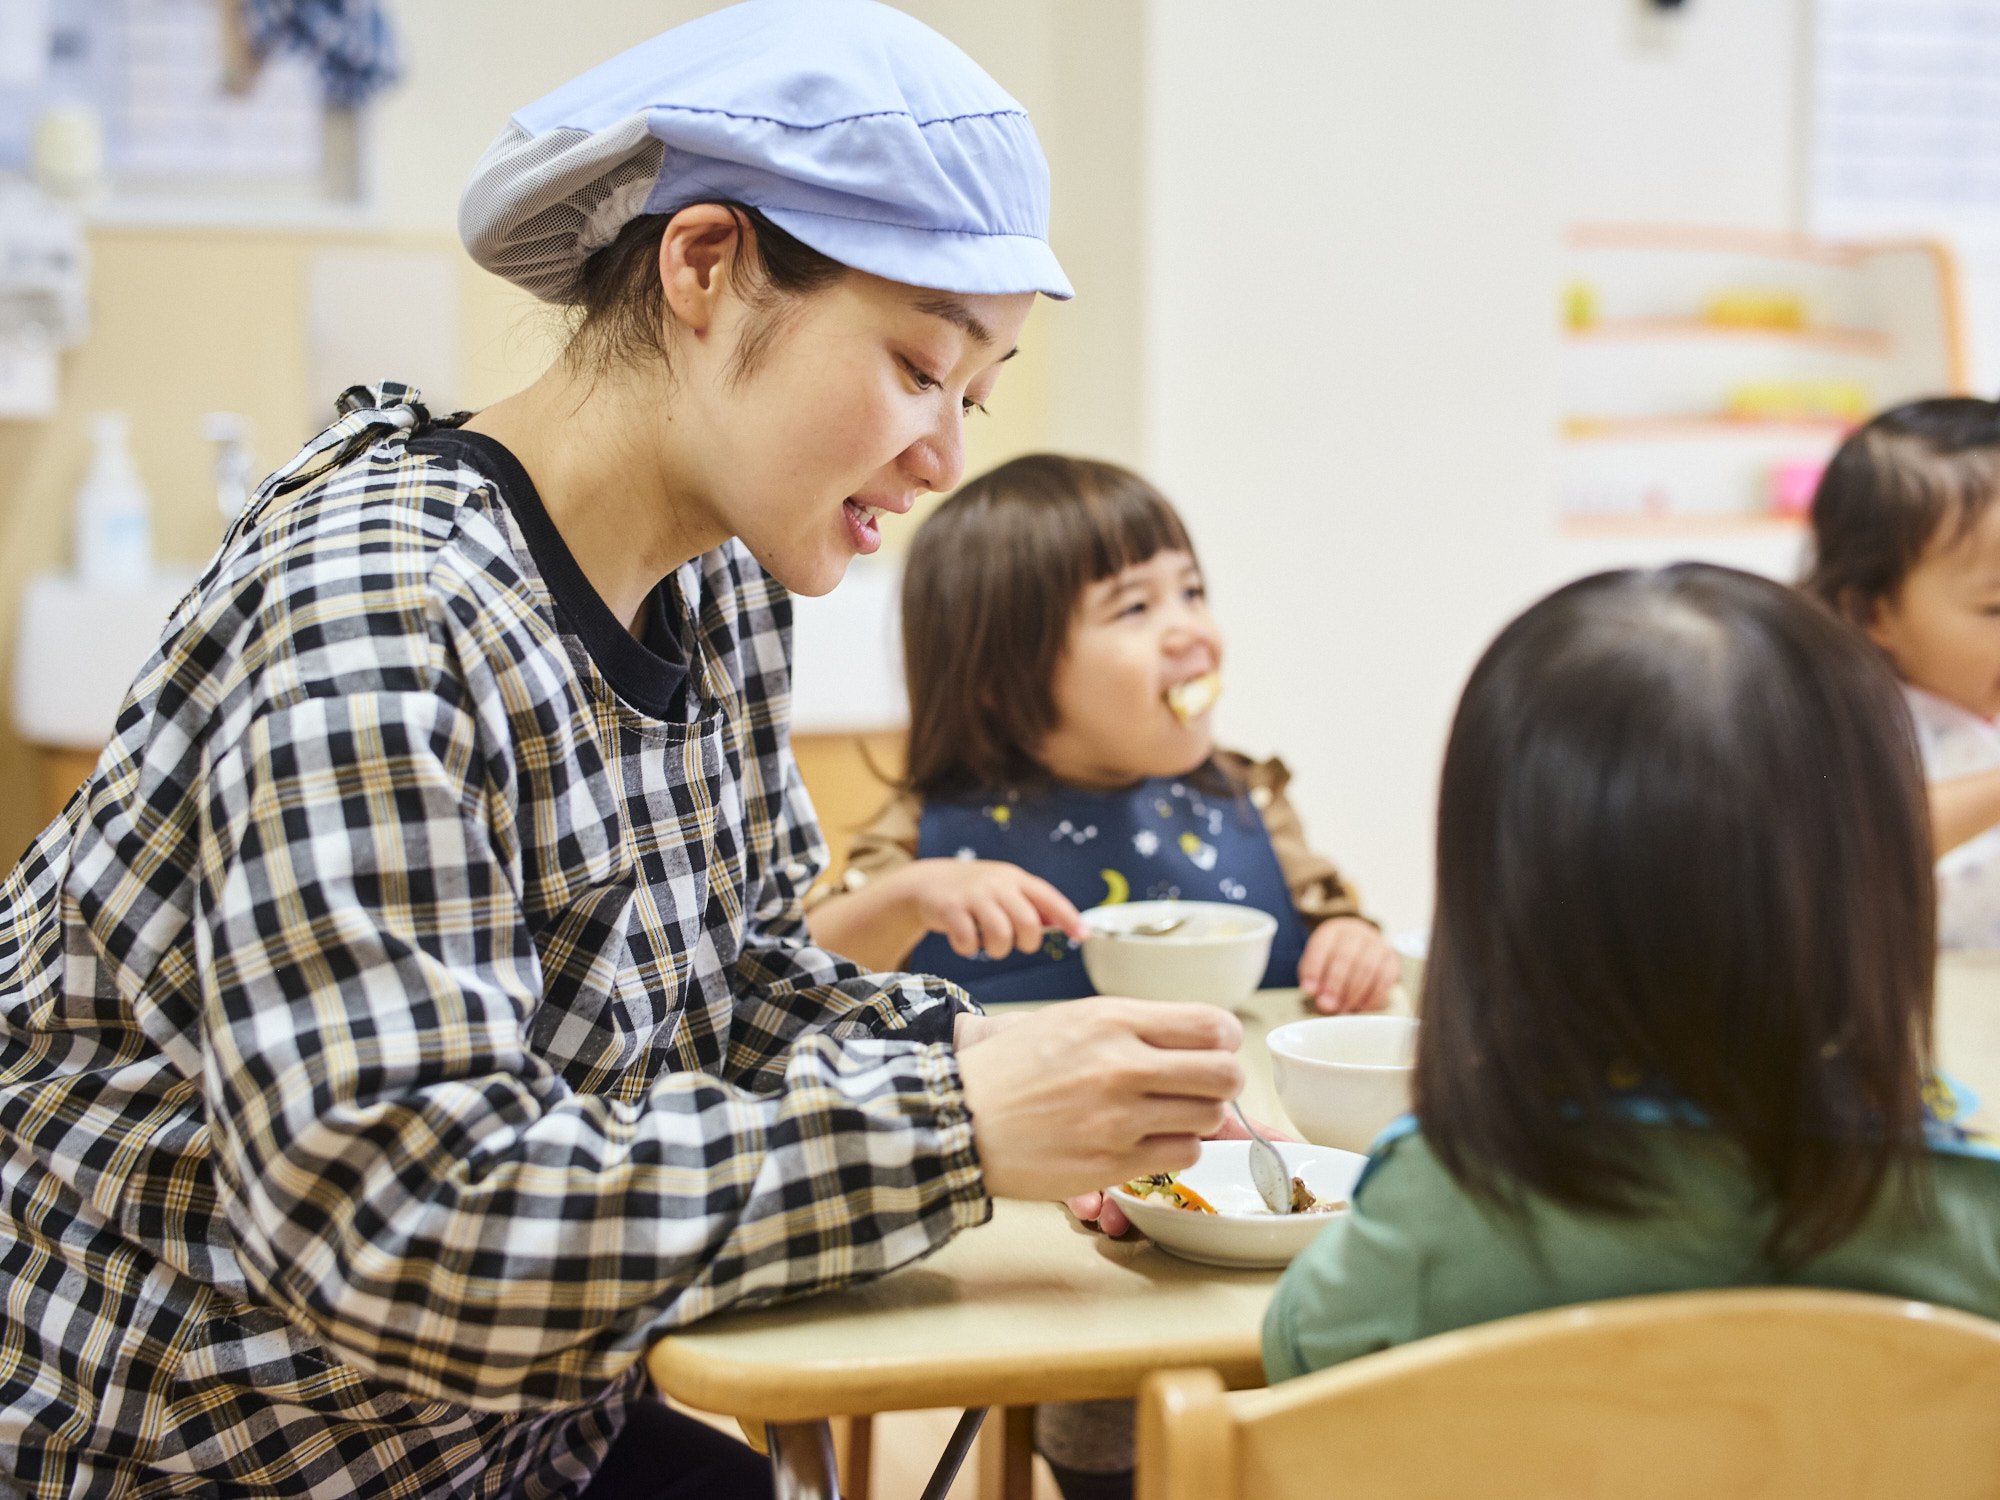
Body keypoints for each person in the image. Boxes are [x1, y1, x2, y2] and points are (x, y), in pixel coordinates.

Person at [0, 6, 1246, 1495]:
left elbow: (728, 986)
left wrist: (996, 1064)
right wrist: (955, 1126)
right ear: (705, 264)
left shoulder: (718, 580)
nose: (944, 458)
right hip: (206, 1459)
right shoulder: (382, 610)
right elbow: (399, 1227)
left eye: (973, 394)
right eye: (920, 367)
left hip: (516, 1431)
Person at [1262, 564, 2000, 1384]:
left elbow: (1299, 1349)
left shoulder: (1446, 1204)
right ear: (1876, 884)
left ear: (1502, 898)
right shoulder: (1965, 1216)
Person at [805, 454, 1398, 1015]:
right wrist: (908, 899)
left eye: (1191, 593)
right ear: (1004, 680)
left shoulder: (1250, 800)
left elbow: (1337, 924)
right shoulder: (922, 835)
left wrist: (1350, 947)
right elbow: (803, 975)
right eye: (1136, 608)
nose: (1190, 630)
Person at [1804, 397, 2000, 947]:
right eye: (1995, 609)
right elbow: (1870, 838)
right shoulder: (1855, 724)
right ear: (1874, 613)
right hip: (1922, 1010)